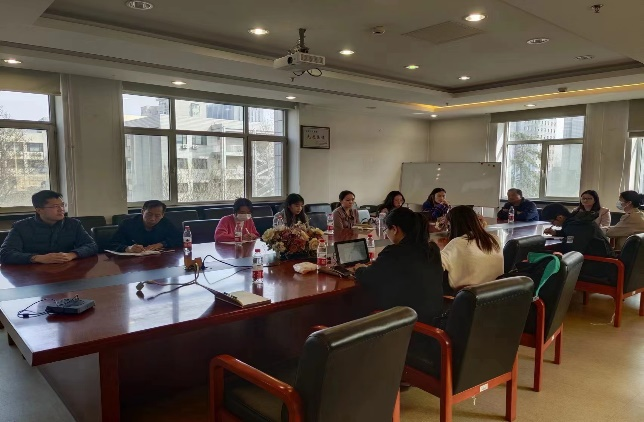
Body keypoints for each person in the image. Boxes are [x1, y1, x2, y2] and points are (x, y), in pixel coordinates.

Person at [351, 207, 443, 326]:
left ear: (394, 229)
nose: (386, 233)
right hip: (432, 319)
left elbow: (368, 278)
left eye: (386, 229)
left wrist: (359, 268)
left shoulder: (394, 252)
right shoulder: (432, 249)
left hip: (407, 325)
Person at [0, 190, 98, 265]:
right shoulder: (21, 227)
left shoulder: (73, 224)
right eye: (55, 206)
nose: (61, 209)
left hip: (66, 271)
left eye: (62, 205)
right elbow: (5, 253)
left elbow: (91, 245)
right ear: (39, 210)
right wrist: (37, 258)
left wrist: (72, 255)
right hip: (32, 275)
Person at [542, 203, 614, 279]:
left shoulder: (576, 225)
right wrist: (556, 233)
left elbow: (573, 249)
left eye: (552, 222)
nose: (553, 224)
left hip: (597, 267)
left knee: (549, 265)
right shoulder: (577, 221)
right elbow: (574, 235)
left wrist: (552, 251)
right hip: (603, 263)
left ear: (560, 217)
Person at [440, 206, 503, 291]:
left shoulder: (457, 243)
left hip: (467, 294)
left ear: (454, 225)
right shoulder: (495, 239)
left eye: (449, 226)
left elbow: (435, 266)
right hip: (495, 292)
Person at [108, 200, 182, 252]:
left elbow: (179, 238)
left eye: (157, 216)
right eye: (149, 214)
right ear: (142, 212)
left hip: (158, 261)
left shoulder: (165, 223)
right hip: (133, 264)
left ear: (162, 215)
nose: (152, 219)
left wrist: (162, 244)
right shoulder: (127, 224)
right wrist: (127, 248)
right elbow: (111, 244)